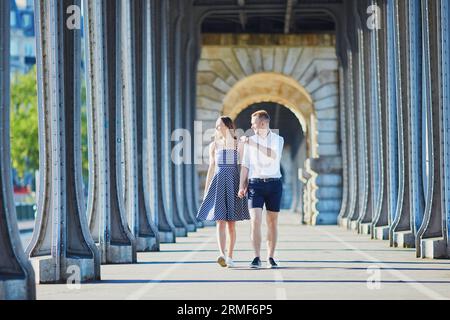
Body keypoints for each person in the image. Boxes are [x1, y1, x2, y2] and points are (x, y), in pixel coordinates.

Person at [197, 116, 250, 268]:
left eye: (219, 125)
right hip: (218, 182)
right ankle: (221, 253)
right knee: (219, 220)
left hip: (233, 182)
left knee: (231, 224)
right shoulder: (214, 145)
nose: (217, 128)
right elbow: (211, 168)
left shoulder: (238, 144)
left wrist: (243, 185)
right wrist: (207, 189)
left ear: (227, 126)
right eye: (216, 126)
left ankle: (230, 256)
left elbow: (241, 167)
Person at [238, 110, 284, 269]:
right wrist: (241, 185)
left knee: (272, 222)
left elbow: (273, 155)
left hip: (274, 184)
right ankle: (256, 257)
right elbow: (245, 165)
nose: (251, 126)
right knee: (255, 221)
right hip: (255, 184)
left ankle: (270, 257)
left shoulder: (278, 139)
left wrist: (253, 144)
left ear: (263, 123)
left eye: (254, 123)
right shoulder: (250, 141)